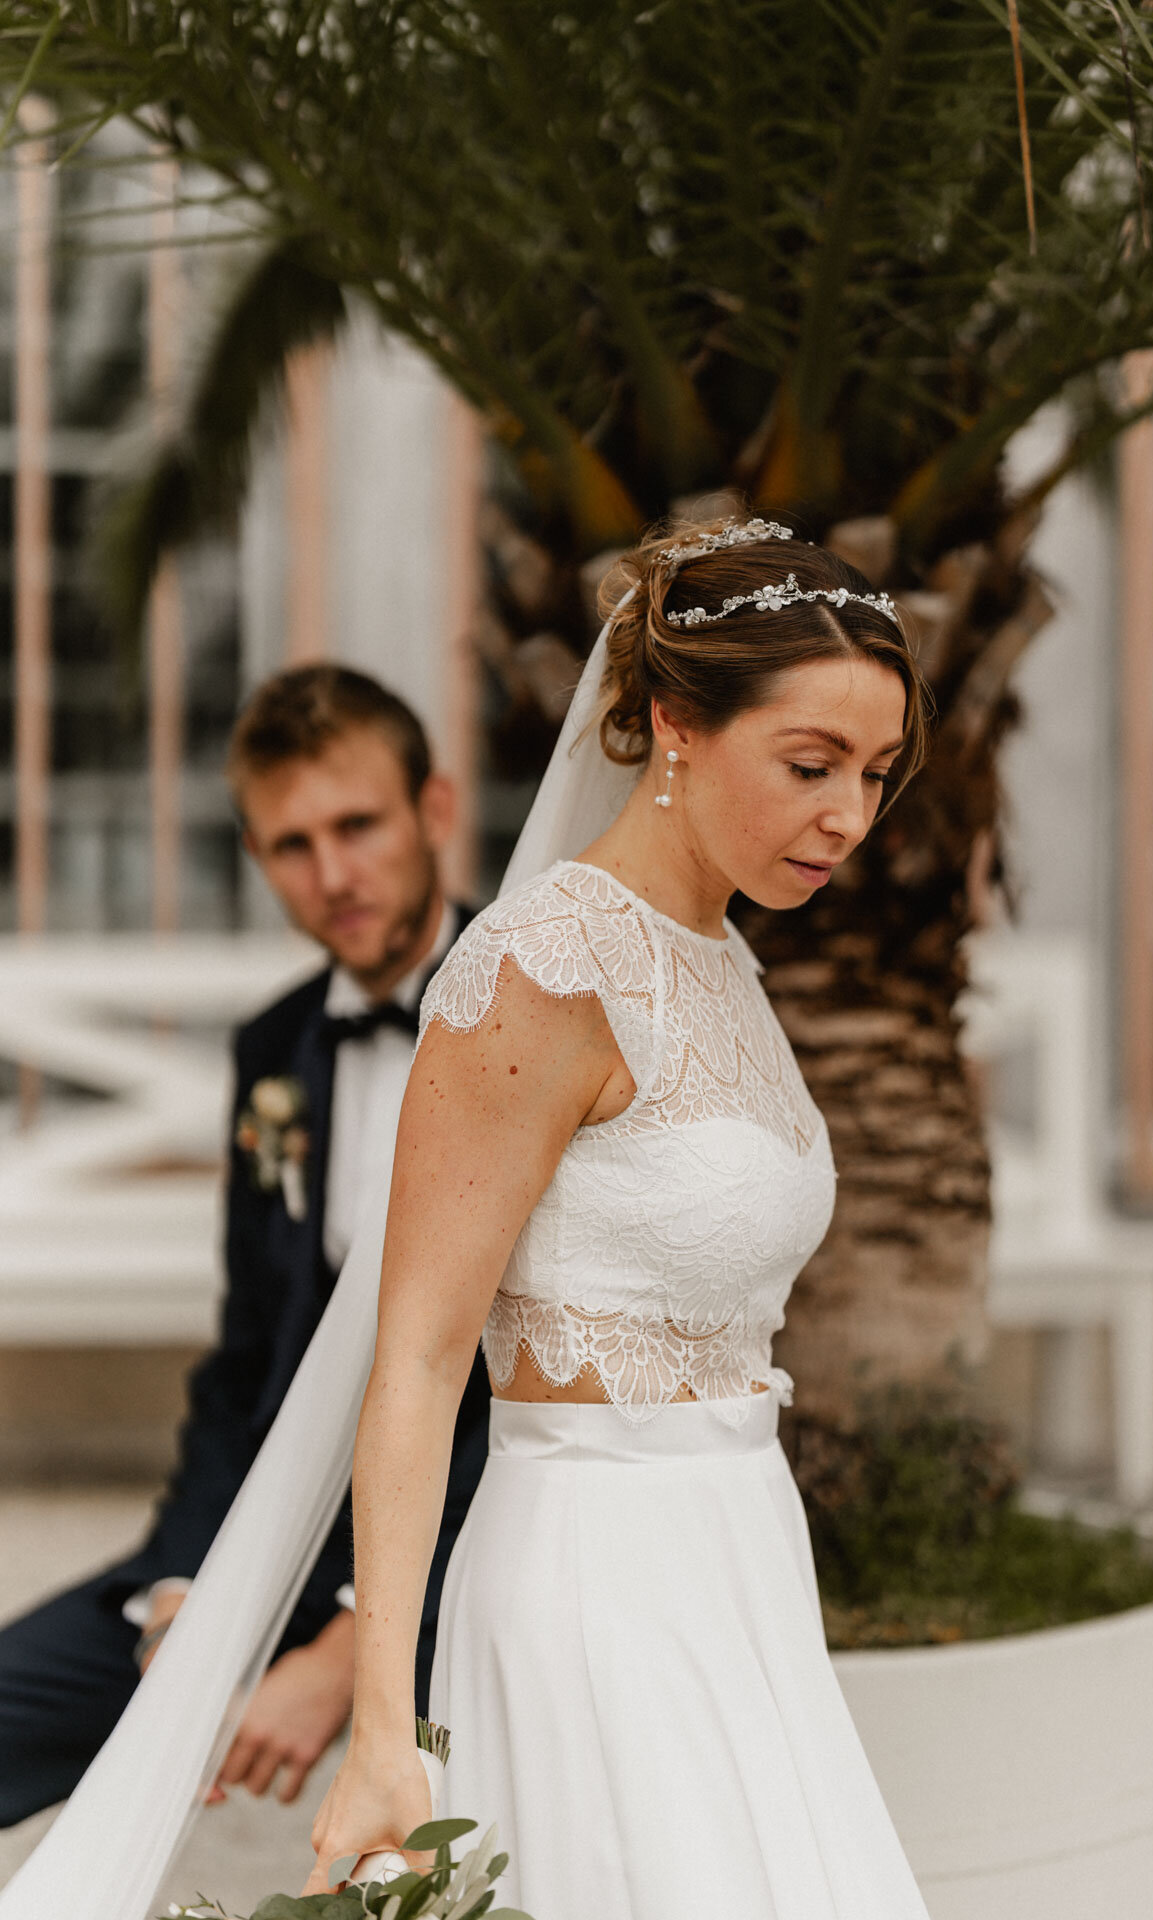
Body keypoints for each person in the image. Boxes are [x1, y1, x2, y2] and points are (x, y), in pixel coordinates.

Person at [301, 517, 936, 1918]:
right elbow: (411, 1361)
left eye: (878, 775)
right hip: (595, 1587)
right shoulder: (544, 964)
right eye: (811, 764)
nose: (849, 815)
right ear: (672, 727)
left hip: (741, 1562)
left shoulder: (720, 957)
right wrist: (383, 1730)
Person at [0, 665, 488, 1830]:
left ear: (434, 809)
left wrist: (351, 1642)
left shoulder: (528, 1017)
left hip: (467, 1552)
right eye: (291, 844)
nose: (332, 875)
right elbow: (243, 1365)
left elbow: (529, 1395)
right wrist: (180, 1592)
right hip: (275, 1534)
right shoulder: (275, 1050)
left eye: (357, 826)